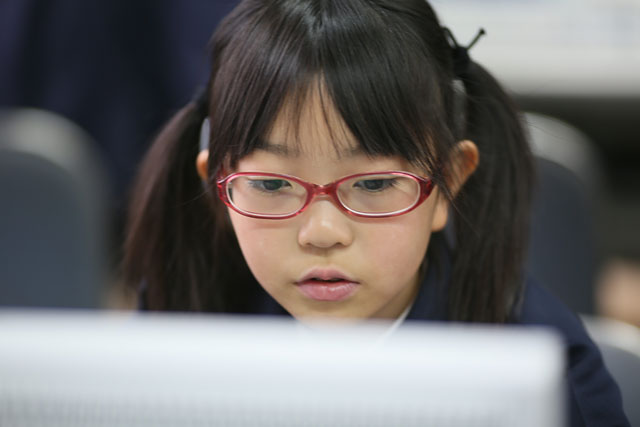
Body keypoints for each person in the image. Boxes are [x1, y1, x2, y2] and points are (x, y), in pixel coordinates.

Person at [123, 1, 629, 425]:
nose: (323, 232)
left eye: (374, 184)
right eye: (272, 185)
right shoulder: (179, 315)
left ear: (447, 185)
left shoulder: (542, 364)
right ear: (217, 186)